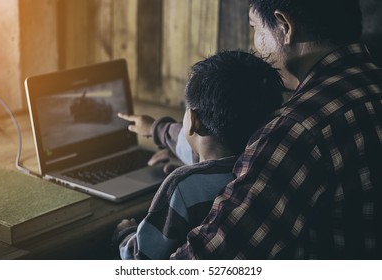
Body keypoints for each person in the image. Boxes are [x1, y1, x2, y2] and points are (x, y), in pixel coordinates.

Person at [169, 0, 382, 259]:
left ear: (284, 26)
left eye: (254, 28)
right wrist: (162, 133)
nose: (255, 47)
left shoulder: (298, 129)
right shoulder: (370, 85)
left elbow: (207, 261)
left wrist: (125, 239)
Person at [113, 50, 285, 259]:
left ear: (194, 120)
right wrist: (155, 128)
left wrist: (126, 234)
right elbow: (193, 145)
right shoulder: (267, 164)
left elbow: (141, 258)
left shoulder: (183, 185)